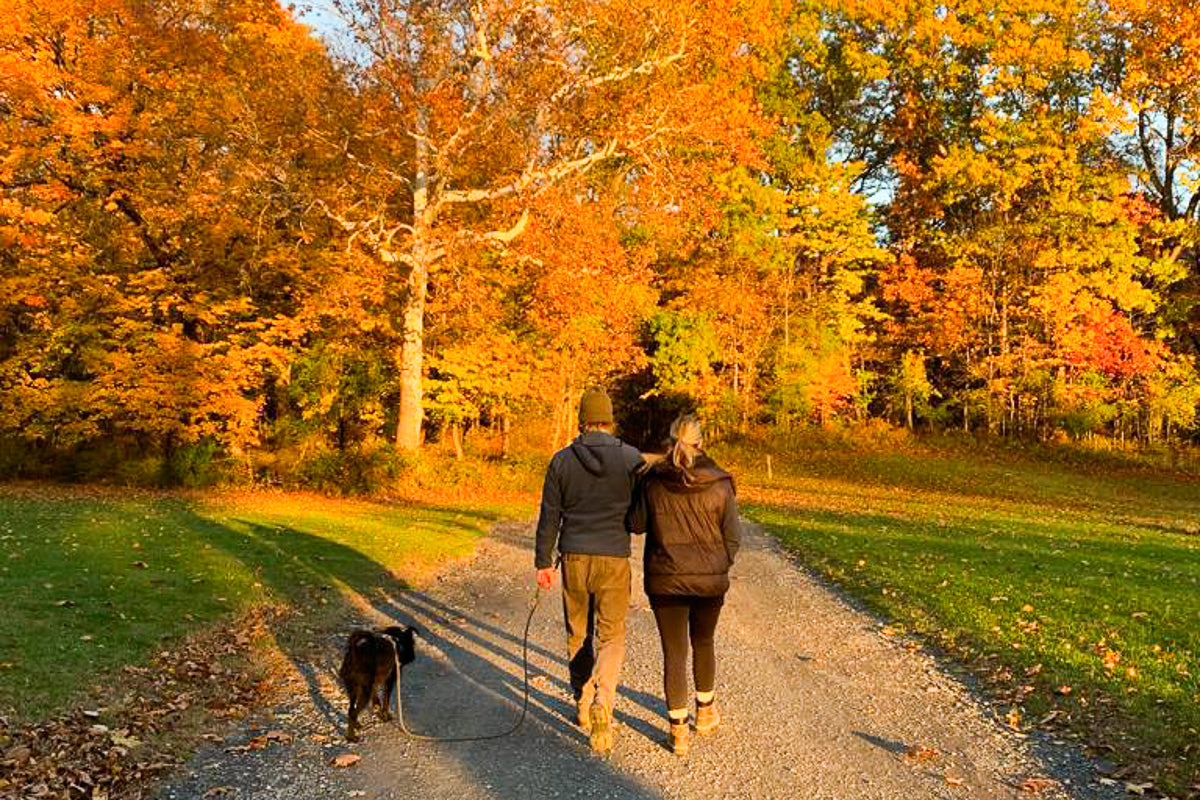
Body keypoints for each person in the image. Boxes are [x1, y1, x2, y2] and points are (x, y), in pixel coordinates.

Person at [534, 387, 643, 754]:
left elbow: (550, 515)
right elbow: (640, 517)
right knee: (611, 636)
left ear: (582, 420)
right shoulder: (631, 460)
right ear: (610, 420)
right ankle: (603, 702)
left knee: (577, 633)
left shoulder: (561, 460)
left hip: (575, 558)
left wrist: (543, 562)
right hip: (613, 558)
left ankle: (581, 705)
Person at [627, 415, 740, 756]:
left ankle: (678, 732)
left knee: (674, 652)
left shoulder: (653, 482)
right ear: (701, 442)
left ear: (669, 441)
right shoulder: (720, 484)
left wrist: (637, 485)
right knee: (703, 642)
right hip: (709, 582)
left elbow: (635, 524)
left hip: (666, 580)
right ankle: (705, 713)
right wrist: (719, 567)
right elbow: (732, 537)